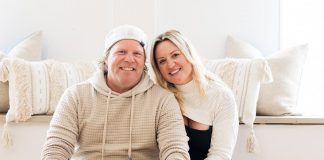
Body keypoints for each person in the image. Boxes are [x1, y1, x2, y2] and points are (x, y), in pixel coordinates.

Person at [41, 25, 190, 160]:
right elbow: (56, 148)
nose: (129, 59)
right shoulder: (75, 96)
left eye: (137, 54)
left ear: (144, 62)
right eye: (121, 52)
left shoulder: (163, 100)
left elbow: (175, 149)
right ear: (106, 59)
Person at [150, 30, 239, 160]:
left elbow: (221, 155)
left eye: (175, 55)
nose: (170, 64)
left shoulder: (221, 96)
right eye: (162, 61)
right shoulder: (160, 97)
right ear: (158, 69)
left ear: (188, 53)